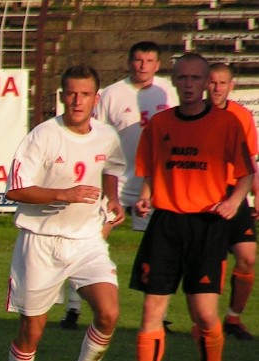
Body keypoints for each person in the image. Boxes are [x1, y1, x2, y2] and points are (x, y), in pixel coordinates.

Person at [129, 53, 254, 361]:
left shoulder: (227, 124)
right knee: (152, 309)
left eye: (195, 78)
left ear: (204, 82)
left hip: (207, 225)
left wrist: (234, 201)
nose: (189, 84)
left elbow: (245, 171)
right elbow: (151, 169)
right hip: (166, 224)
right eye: (182, 78)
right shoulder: (160, 124)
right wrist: (146, 196)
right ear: (174, 80)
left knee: (204, 315)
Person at [1, 64, 126, 361]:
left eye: (85, 94)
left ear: (96, 98)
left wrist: (113, 200)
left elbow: (112, 169)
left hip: (86, 240)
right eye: (71, 93)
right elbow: (15, 188)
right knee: (32, 331)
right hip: (40, 242)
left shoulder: (107, 136)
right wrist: (63, 194)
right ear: (62, 96)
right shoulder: (43, 135)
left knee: (109, 312)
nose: (77, 100)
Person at [60, 41, 178, 330]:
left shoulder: (167, 92)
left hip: (153, 181)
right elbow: (92, 132)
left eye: (149, 60)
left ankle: (159, 316)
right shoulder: (113, 94)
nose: (143, 65)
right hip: (114, 179)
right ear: (129, 62)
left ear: (157, 64)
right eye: (138, 60)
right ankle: (73, 310)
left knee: (161, 249)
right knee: (87, 241)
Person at [207, 62, 259, 341]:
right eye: (212, 82)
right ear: (206, 84)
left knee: (247, 257)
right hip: (207, 193)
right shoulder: (197, 115)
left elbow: (250, 160)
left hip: (237, 193)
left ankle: (233, 319)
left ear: (231, 86)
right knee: (212, 260)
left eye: (222, 83)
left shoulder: (242, 116)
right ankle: (207, 321)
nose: (217, 88)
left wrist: (257, 193)